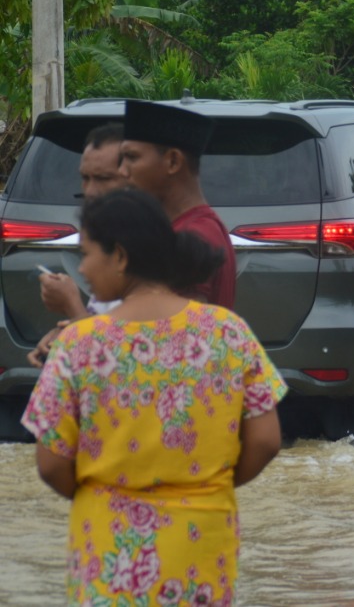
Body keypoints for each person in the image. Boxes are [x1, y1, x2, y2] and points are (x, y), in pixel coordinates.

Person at [20, 187, 286, 606]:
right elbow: (267, 441)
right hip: (203, 539)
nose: (83, 270)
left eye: (88, 254)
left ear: (121, 256)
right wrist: (205, 489)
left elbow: (51, 463)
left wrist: (110, 497)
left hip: (108, 543)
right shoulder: (228, 332)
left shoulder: (78, 344)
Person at [119, 100, 236, 308]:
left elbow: (173, 334)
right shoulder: (184, 229)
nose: (122, 171)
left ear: (173, 161)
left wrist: (75, 314)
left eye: (132, 157)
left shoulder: (194, 236)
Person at [39, 124, 128, 325]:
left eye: (103, 178)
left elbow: (126, 347)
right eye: (85, 178)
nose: (90, 191)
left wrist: (72, 307)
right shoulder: (111, 231)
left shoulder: (152, 246)